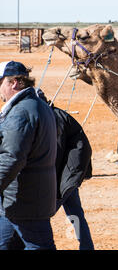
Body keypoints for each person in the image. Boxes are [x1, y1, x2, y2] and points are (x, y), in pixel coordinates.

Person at [0, 61, 57, 250]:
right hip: (25, 199)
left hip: (24, 199)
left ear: (14, 82)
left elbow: (11, 158)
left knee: (39, 246)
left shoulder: (20, 113)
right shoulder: (39, 105)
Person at [36, 88, 95, 250]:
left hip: (55, 181)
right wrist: (79, 175)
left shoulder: (43, 120)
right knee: (76, 216)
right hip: (69, 180)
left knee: (38, 217)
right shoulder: (63, 116)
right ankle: (87, 247)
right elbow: (83, 146)